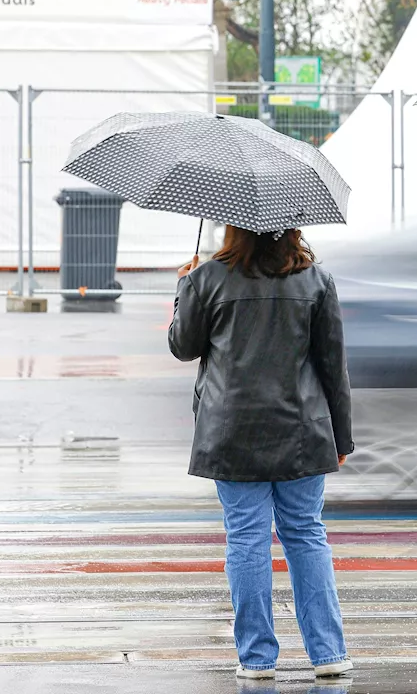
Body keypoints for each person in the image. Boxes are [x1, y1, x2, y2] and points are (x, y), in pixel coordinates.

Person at [169, 226, 354, 681]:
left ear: (232, 227)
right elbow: (334, 366)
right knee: (306, 534)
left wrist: (184, 289)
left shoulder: (207, 279)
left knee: (247, 539)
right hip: (302, 432)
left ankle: (256, 660)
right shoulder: (315, 281)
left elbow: (182, 346)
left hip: (232, 433)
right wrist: (341, 438)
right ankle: (329, 654)